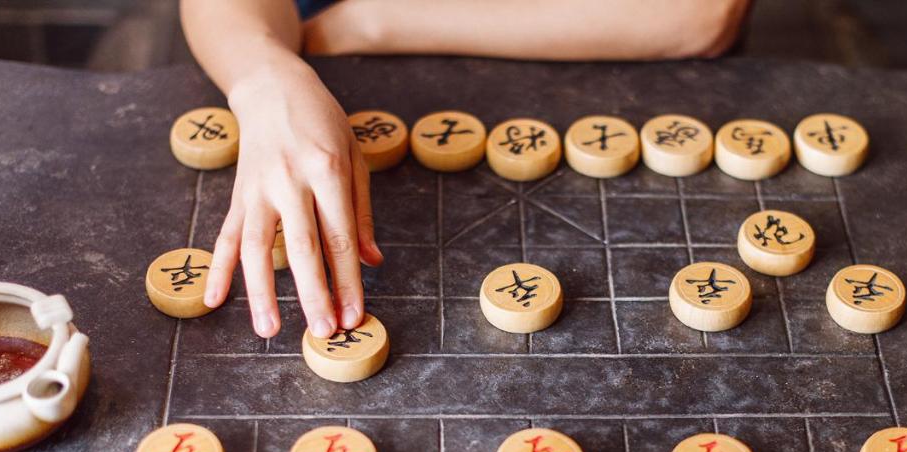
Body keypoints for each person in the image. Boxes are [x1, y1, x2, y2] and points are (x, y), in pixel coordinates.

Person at [181, 0, 751, 340]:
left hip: (631, 82)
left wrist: (374, 21)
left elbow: (697, 15)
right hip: (321, 68)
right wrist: (263, 76)